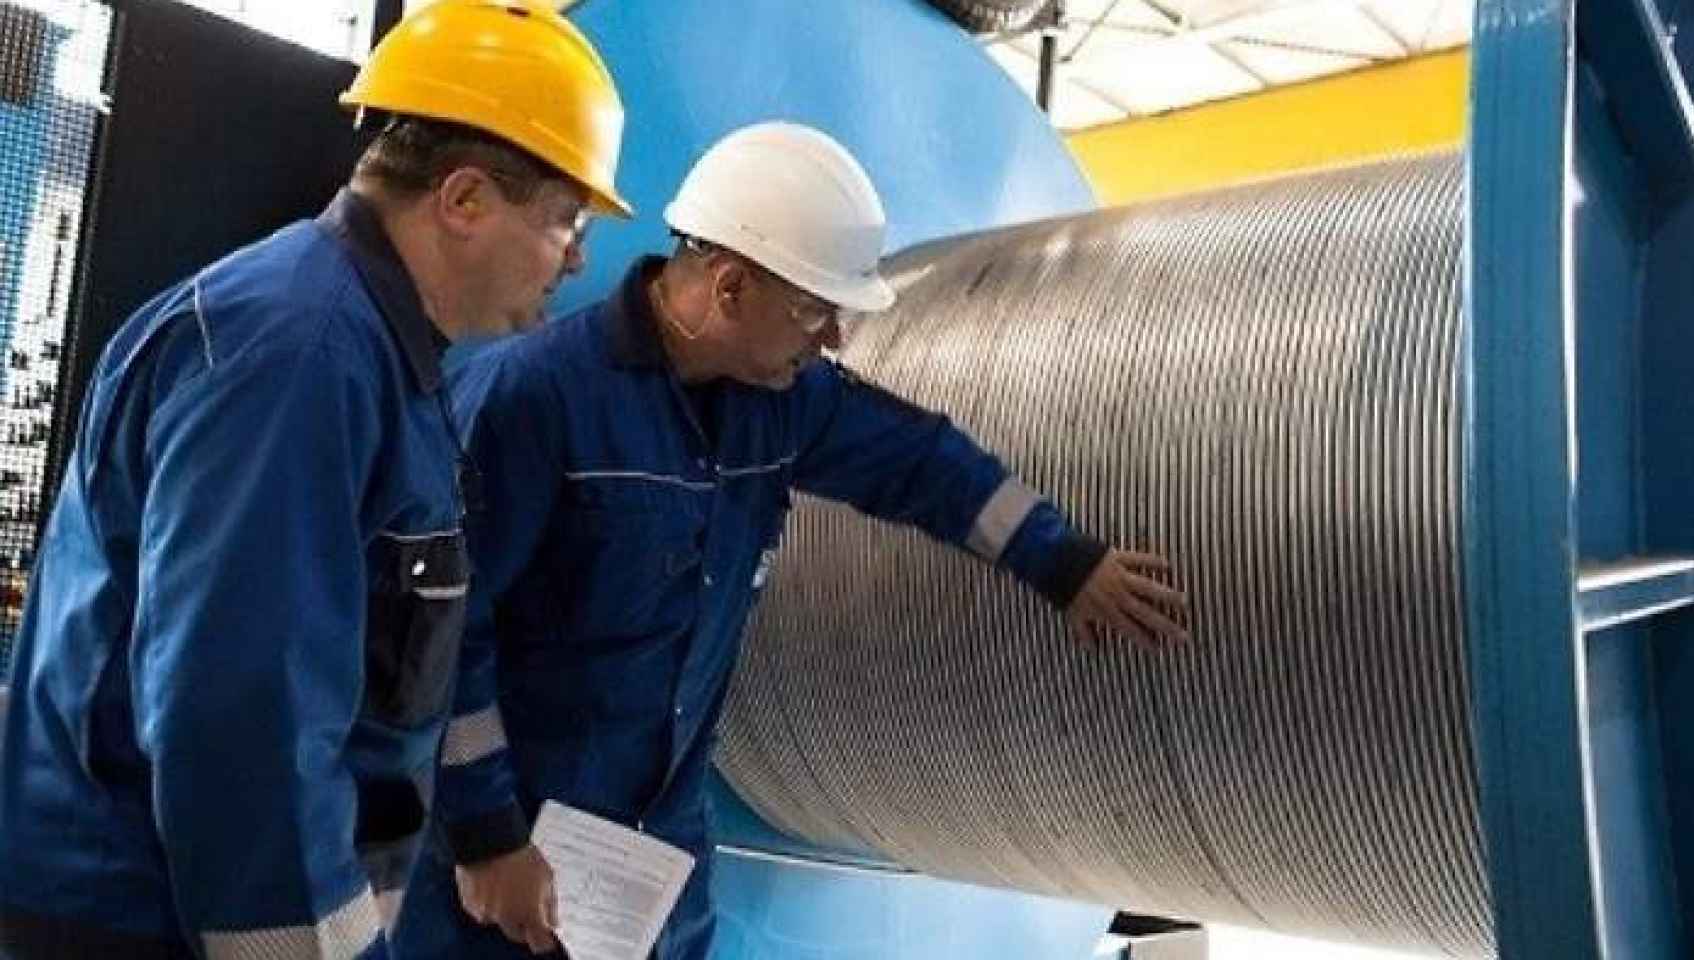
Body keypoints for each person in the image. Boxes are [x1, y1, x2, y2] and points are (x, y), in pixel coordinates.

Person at [391, 122, 1190, 960]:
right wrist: (486, 836)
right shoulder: (532, 400)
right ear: (730, 288)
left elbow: (923, 460)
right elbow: (438, 636)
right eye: (815, 310)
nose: (834, 339)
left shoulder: (778, 399)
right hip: (500, 863)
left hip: (652, 856)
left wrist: (1065, 562)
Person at [0, 2, 630, 957]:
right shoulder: (297, 356)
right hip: (133, 913)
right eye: (564, 221)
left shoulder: (387, 358)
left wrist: (491, 834)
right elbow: (239, 720)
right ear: (463, 201)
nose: (576, 258)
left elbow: (425, 643)